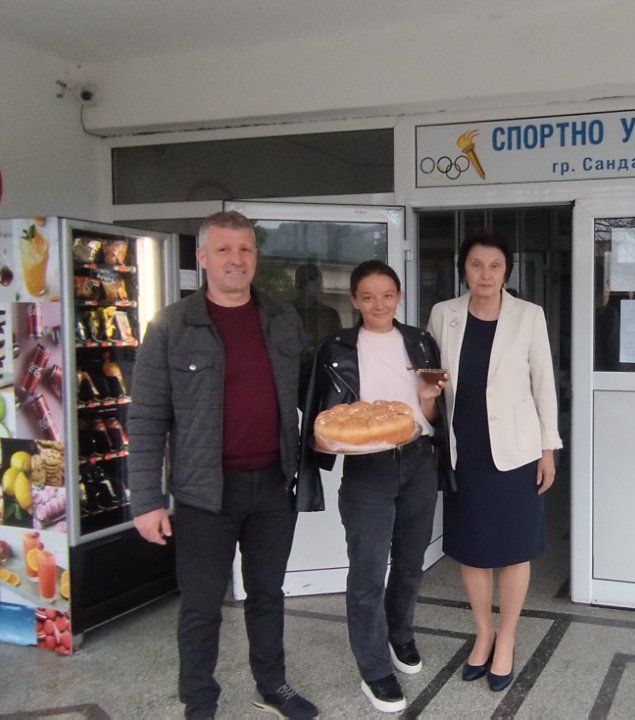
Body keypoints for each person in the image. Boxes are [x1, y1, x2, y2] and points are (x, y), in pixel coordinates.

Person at [127, 210, 321, 720]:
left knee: (268, 594)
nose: (236, 259)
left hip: (273, 485)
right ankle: (199, 702)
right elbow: (146, 418)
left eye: (246, 249)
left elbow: (310, 391)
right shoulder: (171, 326)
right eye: (224, 249)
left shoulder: (282, 318)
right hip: (204, 494)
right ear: (202, 258)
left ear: (256, 256)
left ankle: (272, 685)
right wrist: (146, 500)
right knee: (201, 606)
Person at [300, 260, 451, 713]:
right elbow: (322, 414)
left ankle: (399, 634)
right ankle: (374, 668)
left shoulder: (421, 342)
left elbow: (433, 414)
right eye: (368, 297)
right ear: (354, 300)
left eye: (387, 295)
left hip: (418, 462)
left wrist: (428, 400)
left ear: (399, 296)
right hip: (368, 470)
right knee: (367, 571)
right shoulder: (336, 349)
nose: (379, 304)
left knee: (409, 562)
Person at [426, 228, 562, 692]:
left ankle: (507, 637)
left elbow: (544, 385)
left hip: (517, 451)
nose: (485, 274)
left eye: (495, 265)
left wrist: (547, 449)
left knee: (514, 548)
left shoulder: (529, 316)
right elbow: (431, 379)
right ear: (463, 270)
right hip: (464, 451)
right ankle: (483, 633)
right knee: (473, 548)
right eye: (476, 265)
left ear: (507, 271)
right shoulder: (444, 314)